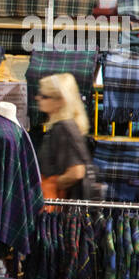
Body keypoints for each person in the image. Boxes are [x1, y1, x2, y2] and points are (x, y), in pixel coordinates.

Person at [35, 72, 92, 200]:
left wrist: (51, 185)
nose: (38, 98)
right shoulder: (64, 126)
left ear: (60, 101)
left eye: (44, 96)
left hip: (61, 206)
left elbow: (77, 172)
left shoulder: (63, 128)